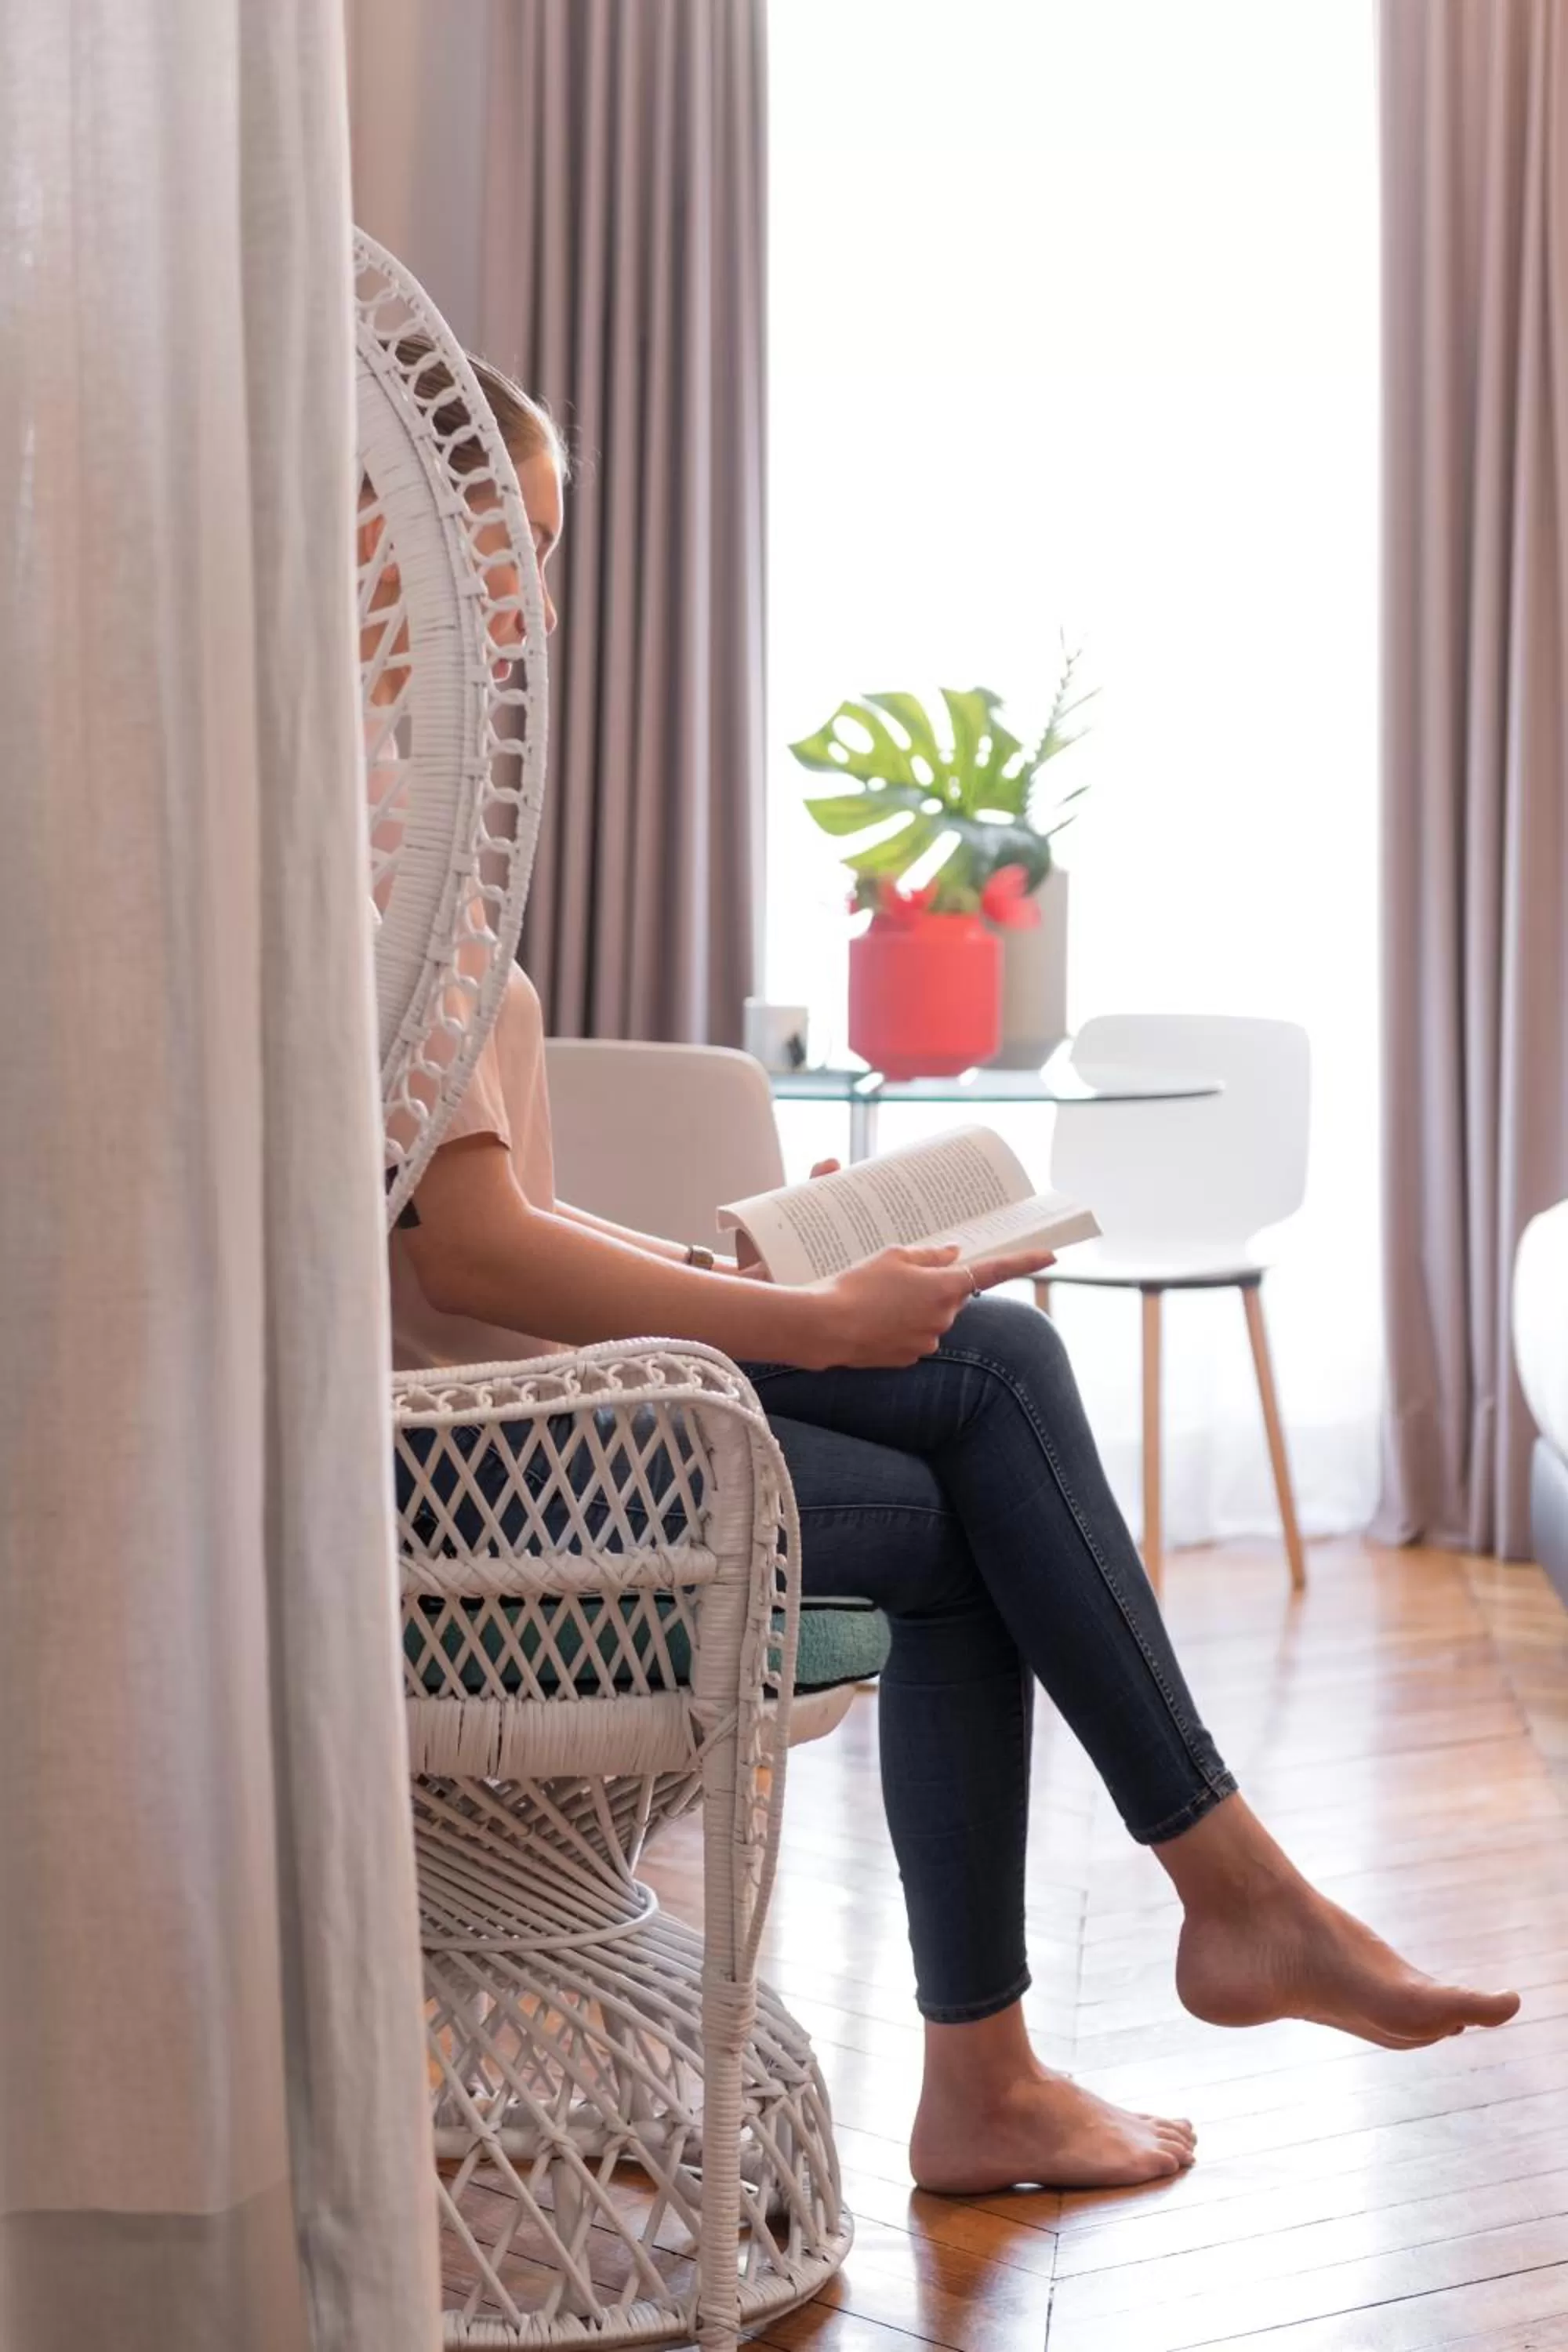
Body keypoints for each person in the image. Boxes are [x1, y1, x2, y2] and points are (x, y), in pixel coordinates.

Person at [386, 352, 1520, 2198]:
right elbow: (476, 1249)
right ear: (397, 533)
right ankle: (1161, 1945)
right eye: (515, 546)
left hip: (501, 1421)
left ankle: (1140, 1963)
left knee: (989, 1370)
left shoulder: (384, 832)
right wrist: (802, 1318)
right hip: (464, 1477)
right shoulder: (370, 861)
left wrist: (734, 1260)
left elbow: (459, 1228)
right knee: (981, 1452)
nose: (537, 605)